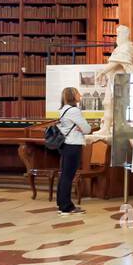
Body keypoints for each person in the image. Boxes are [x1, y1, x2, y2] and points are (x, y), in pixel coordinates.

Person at [54, 87, 91, 216]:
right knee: (68, 176)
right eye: (77, 93)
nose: (80, 95)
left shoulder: (63, 109)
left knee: (64, 175)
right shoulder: (74, 110)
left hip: (65, 145)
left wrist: (81, 128)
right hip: (73, 145)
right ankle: (66, 207)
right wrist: (83, 128)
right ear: (72, 96)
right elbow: (87, 129)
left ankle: (61, 204)